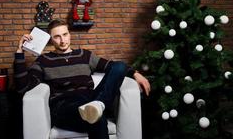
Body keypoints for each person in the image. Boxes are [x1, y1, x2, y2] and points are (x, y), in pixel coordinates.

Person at [13, 19, 150, 139]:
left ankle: (98, 105)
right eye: (57, 37)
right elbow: (23, 88)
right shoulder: (43, 60)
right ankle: (98, 107)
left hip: (90, 100)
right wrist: (20, 52)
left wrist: (135, 74)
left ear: (69, 34)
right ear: (51, 39)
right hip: (65, 107)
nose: (62, 40)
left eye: (65, 34)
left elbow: (113, 67)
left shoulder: (84, 55)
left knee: (119, 66)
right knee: (96, 117)